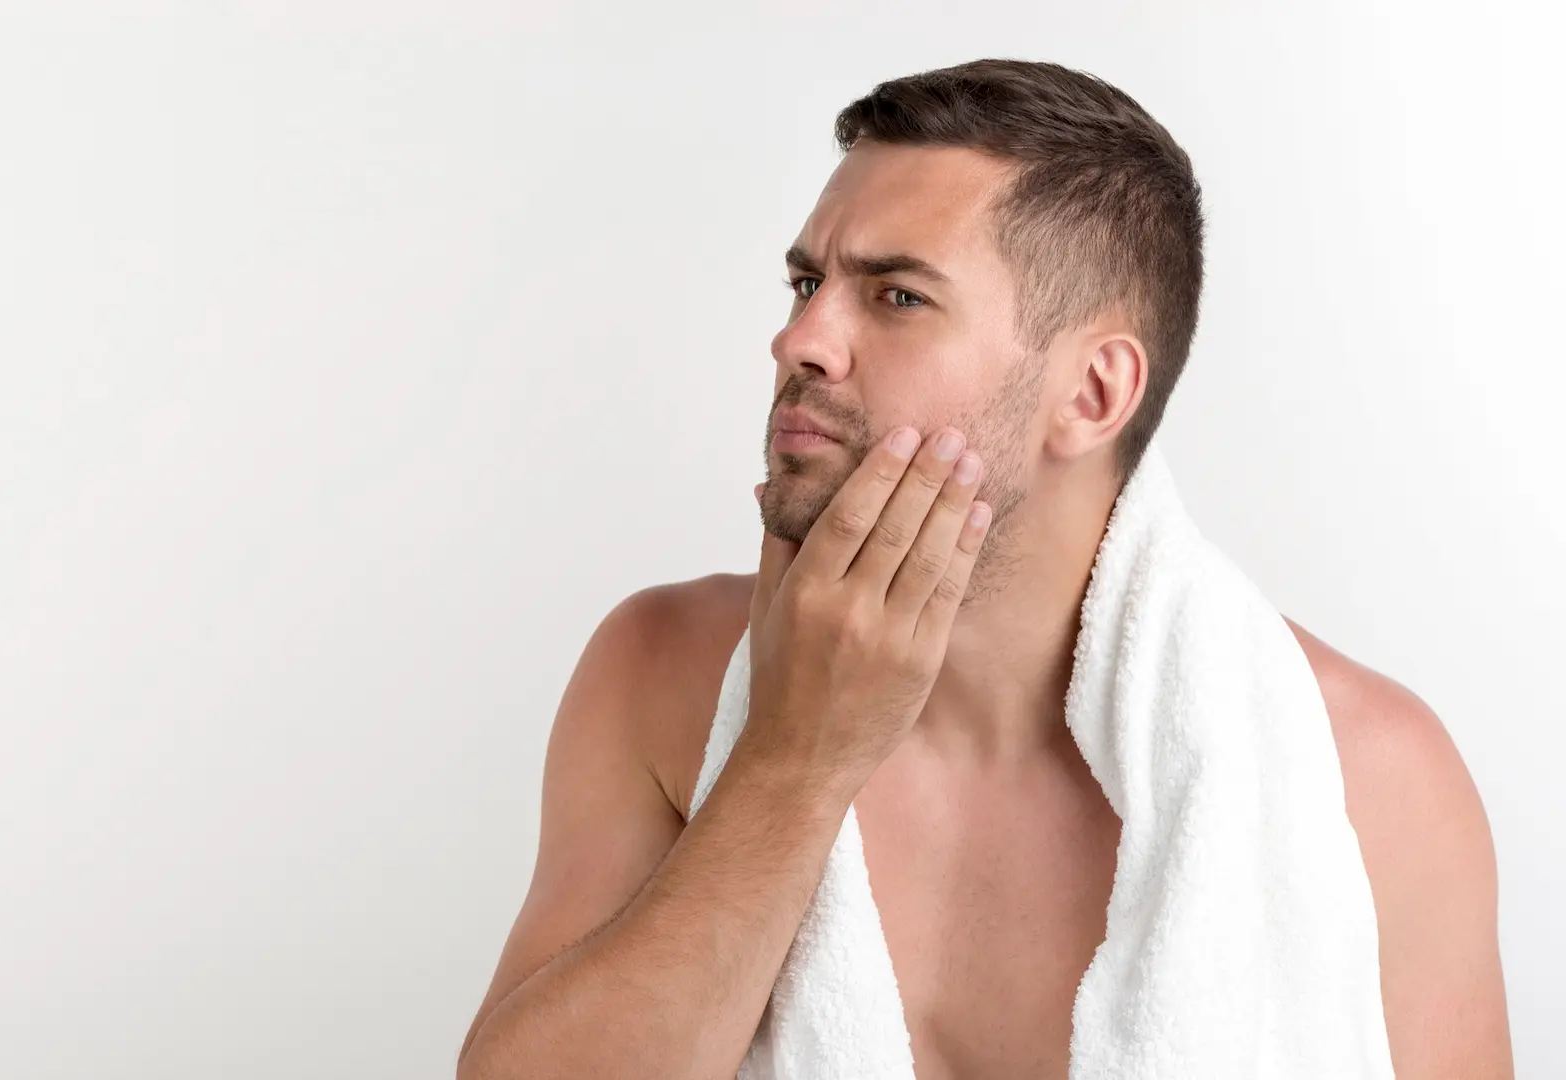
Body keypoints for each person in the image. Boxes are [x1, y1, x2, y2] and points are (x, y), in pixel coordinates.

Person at [455, 58, 1512, 1080]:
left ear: (1094, 394)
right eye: (807, 281)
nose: (800, 340)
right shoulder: (663, 673)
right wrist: (789, 764)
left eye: (897, 297)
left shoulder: (1365, 777)